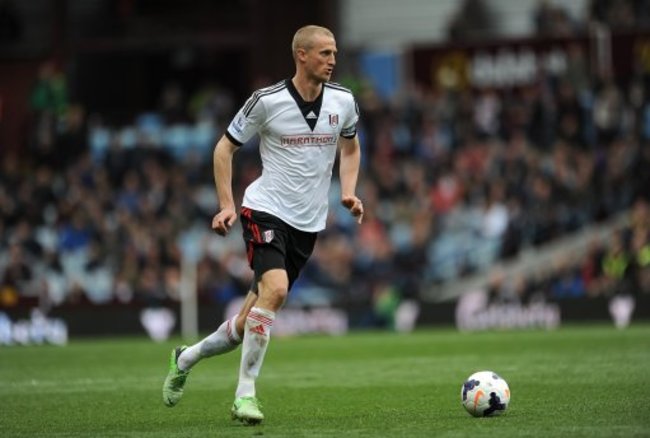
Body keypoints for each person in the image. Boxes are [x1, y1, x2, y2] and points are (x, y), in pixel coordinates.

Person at [162, 25, 364, 425]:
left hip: (308, 225)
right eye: (324, 53)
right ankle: (245, 396)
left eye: (334, 53)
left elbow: (351, 146)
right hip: (265, 210)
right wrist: (226, 204)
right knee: (277, 289)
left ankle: (185, 358)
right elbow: (224, 148)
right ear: (301, 56)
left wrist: (350, 191)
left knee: (246, 321)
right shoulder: (267, 102)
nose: (332, 60)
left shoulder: (344, 100)